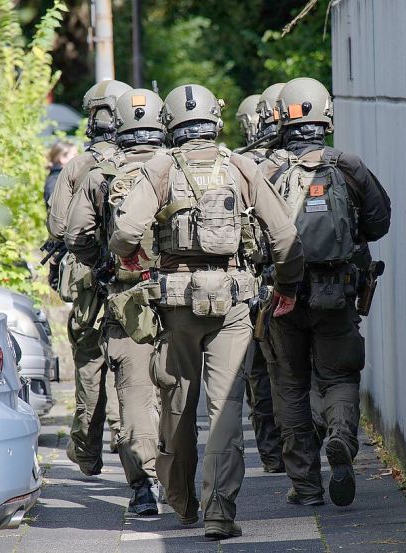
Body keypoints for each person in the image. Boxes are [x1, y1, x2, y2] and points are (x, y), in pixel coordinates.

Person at [109, 84, 304, 539]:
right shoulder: (242, 167)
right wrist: (287, 288)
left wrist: (131, 256)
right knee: (226, 409)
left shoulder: (160, 167)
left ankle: (181, 503)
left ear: (170, 124)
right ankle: (219, 513)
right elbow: (284, 238)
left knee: (177, 403)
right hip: (233, 303)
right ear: (216, 120)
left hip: (176, 306)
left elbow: (125, 232)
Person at [262, 77, 391, 508]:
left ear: (280, 119)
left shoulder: (267, 171)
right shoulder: (349, 166)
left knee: (290, 386)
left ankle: (306, 486)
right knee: (339, 376)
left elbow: (252, 235)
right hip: (338, 292)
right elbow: (379, 222)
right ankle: (341, 438)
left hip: (283, 296)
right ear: (326, 117)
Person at [63, 88, 165, 515]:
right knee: (186, 394)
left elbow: (70, 233)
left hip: (126, 299)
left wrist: (103, 263)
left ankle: (144, 486)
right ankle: (192, 483)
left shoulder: (95, 173)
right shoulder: (179, 166)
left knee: (134, 394)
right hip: (188, 296)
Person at [46, 79, 132, 476]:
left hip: (86, 279)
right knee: (134, 362)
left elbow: (58, 227)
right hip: (132, 276)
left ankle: (86, 450)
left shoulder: (78, 166)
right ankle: (130, 440)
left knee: (90, 362)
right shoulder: (147, 161)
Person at [236, 92, 285, 473]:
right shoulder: (321, 162)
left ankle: (272, 453)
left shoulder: (242, 166)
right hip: (296, 280)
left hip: (256, 288)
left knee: (258, 374)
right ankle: (309, 441)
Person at [44, 140, 78, 210]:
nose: (78, 158)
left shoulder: (65, 177)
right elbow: (56, 207)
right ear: (62, 159)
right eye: (74, 155)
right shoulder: (55, 180)